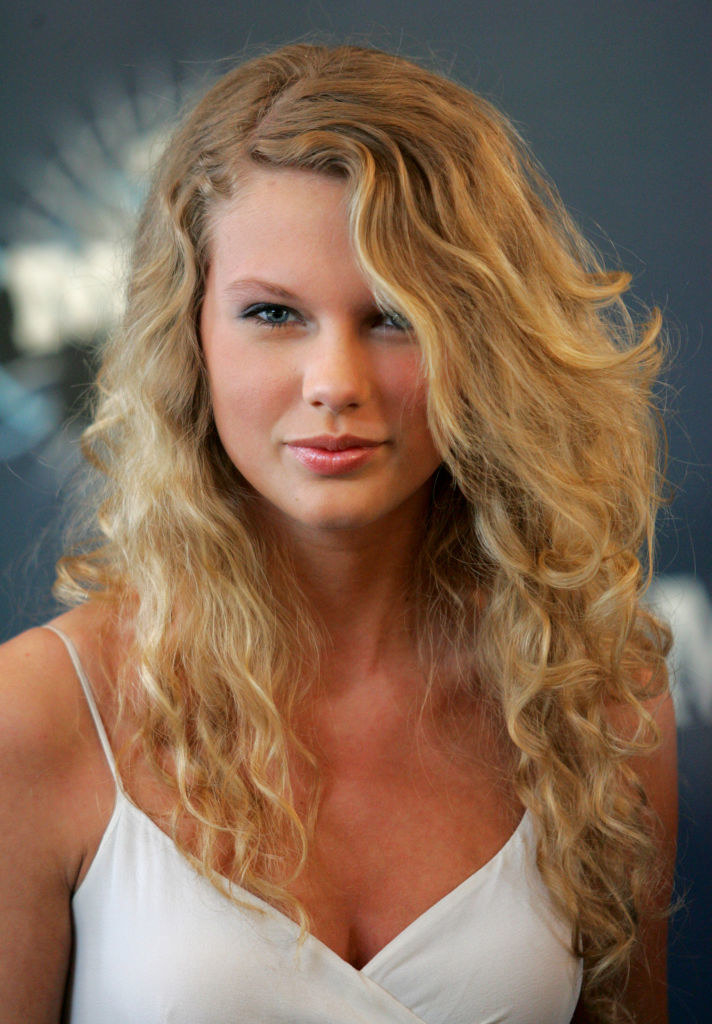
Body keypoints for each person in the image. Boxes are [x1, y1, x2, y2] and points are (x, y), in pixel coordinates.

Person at [0, 42, 677, 1024]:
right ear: (188, 338)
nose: (335, 383)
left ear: (485, 344)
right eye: (273, 312)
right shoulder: (41, 715)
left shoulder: (595, 706)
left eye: (395, 316)